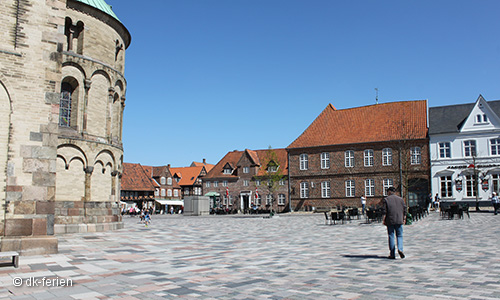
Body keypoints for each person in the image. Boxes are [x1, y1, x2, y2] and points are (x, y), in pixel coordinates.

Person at [382, 187, 406, 259]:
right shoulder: (401, 199)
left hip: (390, 220)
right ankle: (400, 249)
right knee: (399, 235)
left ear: (389, 192)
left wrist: (383, 220)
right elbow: (405, 209)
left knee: (391, 236)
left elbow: (384, 211)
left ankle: (392, 254)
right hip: (399, 220)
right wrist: (404, 218)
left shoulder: (386, 200)